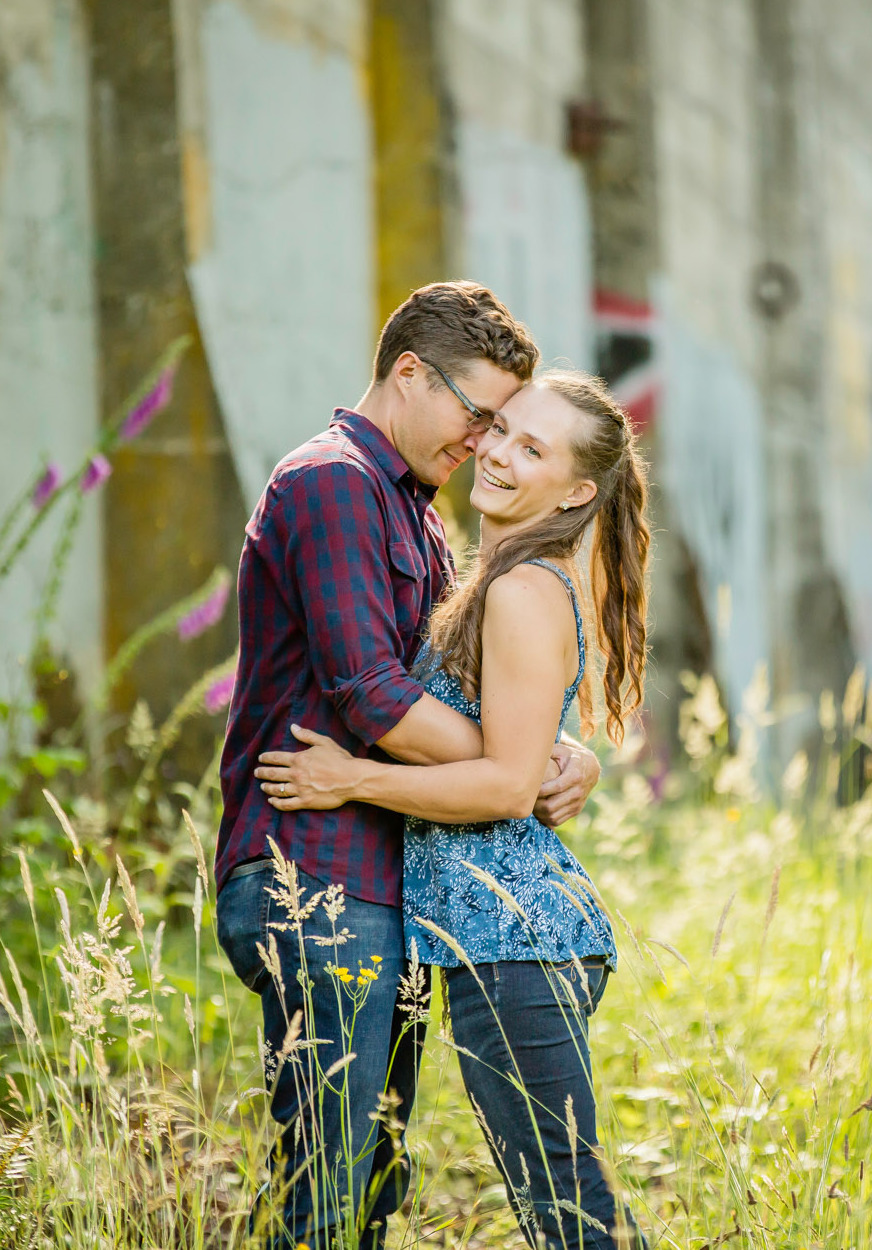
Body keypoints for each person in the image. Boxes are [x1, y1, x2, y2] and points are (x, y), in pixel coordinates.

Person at [212, 283, 603, 1250]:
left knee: (371, 1176)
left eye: (506, 428)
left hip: (386, 883)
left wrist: (557, 752)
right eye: (478, 417)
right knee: (330, 1185)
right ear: (409, 374)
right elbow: (371, 694)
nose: (484, 444)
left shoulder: (419, 515)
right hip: (316, 869)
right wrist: (513, 764)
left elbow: (466, 703)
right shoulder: (332, 481)